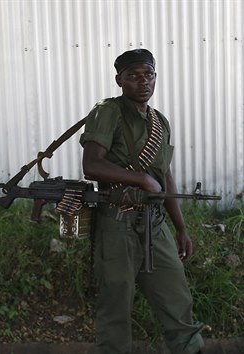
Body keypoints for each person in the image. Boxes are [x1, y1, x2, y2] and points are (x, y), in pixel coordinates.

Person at [79, 49, 205, 354]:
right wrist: (140, 179)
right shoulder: (108, 112)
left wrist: (181, 228)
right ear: (119, 80)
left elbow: (166, 178)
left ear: (155, 77)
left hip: (155, 222)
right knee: (115, 304)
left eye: (148, 74)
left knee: (176, 298)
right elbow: (92, 165)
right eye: (133, 76)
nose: (142, 81)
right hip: (117, 223)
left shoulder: (159, 121)